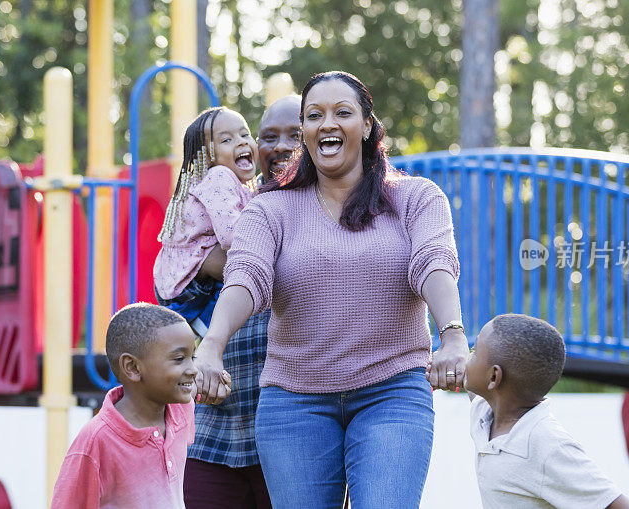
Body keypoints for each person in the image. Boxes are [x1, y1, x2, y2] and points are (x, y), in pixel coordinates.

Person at [194, 71, 469, 508]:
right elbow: (246, 277)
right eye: (314, 115)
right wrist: (211, 345)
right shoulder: (270, 209)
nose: (327, 124)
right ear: (304, 131)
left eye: (342, 112)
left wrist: (452, 335)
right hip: (295, 400)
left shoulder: (416, 198)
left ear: (366, 126)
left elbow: (434, 263)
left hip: (392, 390)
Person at [183, 98, 302, 509]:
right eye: (269, 136)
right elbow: (183, 268)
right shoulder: (233, 205)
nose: (281, 146)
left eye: (296, 134)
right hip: (215, 428)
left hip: (291, 437)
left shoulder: (326, 213)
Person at [464, 314, 629, 508]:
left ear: (494, 376)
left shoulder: (546, 444)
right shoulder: (485, 414)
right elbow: (470, 385)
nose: (468, 358)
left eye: (474, 351)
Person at [50, 303, 197, 508]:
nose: (193, 369)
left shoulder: (181, 409)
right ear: (133, 367)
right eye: (180, 359)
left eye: (193, 357)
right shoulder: (96, 441)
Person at [153, 106, 258, 338]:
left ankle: (205, 322)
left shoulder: (238, 184)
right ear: (208, 156)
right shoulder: (219, 176)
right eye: (227, 140)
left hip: (181, 277)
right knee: (247, 264)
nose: (241, 142)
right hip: (186, 277)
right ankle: (208, 322)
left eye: (245, 134)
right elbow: (232, 235)